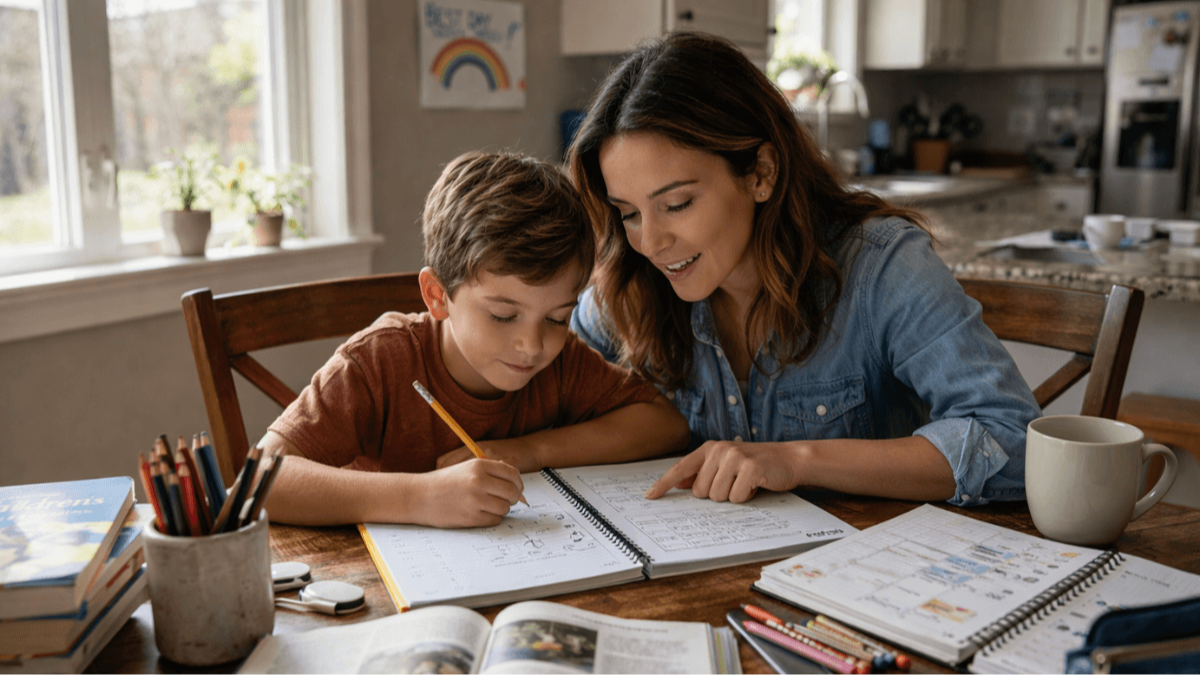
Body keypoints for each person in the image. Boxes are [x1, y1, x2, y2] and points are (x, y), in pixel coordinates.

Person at [567, 33, 1041, 507]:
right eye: (628, 213)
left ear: (761, 174)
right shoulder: (627, 284)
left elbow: (1014, 443)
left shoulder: (882, 268)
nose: (650, 242)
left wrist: (797, 459)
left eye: (677, 203)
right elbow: (538, 395)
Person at [260, 151, 690, 527]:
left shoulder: (560, 363)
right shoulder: (380, 360)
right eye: (503, 315)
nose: (532, 344)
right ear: (437, 296)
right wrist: (422, 497)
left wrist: (527, 451)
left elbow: (665, 425)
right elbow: (262, 478)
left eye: (558, 318)